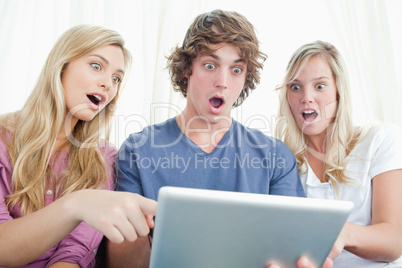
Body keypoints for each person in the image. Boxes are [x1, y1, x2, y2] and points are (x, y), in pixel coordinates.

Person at [105, 9, 329, 268]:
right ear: (187, 68)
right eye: (210, 65)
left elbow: (294, 250)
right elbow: (120, 264)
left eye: (236, 70)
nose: (222, 81)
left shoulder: (275, 158)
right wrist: (139, 229)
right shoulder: (138, 150)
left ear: (245, 78)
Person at [0, 24, 157, 268]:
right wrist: (76, 205)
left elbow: (73, 255)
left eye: (116, 78)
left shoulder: (103, 157)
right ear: (61, 65)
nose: (108, 84)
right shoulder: (2, 139)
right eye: (97, 66)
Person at [275, 40, 402, 267]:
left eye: (320, 85)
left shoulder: (380, 140)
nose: (306, 97)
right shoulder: (282, 163)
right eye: (295, 87)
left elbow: (394, 241)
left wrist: (341, 233)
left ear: (338, 92)